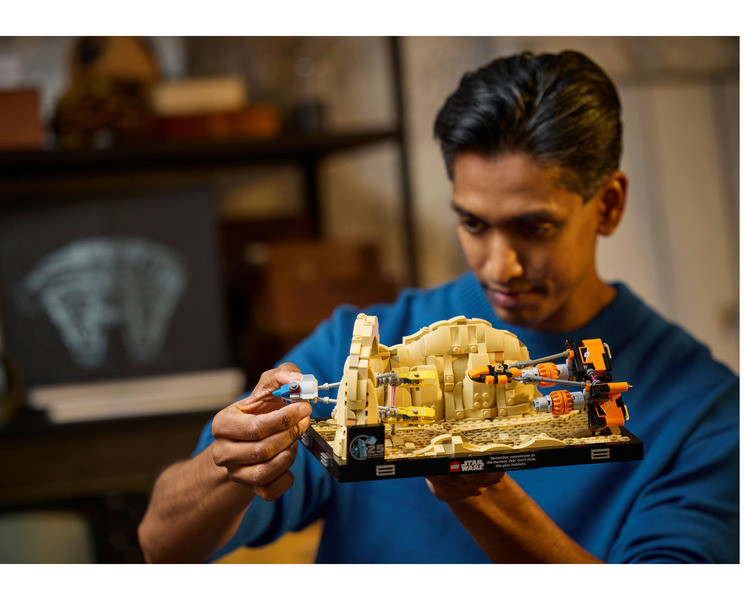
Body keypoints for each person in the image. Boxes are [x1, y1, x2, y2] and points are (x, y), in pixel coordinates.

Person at [137, 50, 739, 563]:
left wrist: (480, 492)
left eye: (534, 227)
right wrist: (227, 464)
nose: (499, 266)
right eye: (473, 223)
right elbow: (161, 545)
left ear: (608, 206)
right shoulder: (356, 346)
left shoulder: (704, 412)